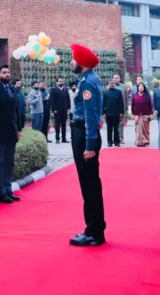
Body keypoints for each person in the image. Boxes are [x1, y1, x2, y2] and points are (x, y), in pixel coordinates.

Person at [69, 43, 106, 247]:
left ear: (81, 62)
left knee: (89, 184)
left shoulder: (86, 83)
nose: (72, 62)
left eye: (74, 59)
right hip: (84, 133)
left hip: (84, 134)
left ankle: (93, 231)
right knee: (91, 184)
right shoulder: (89, 79)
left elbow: (91, 116)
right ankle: (95, 228)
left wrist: (90, 145)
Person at [0, 64, 23, 204]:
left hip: (11, 132)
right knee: (0, 162)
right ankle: (1, 192)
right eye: (4, 72)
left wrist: (19, 129)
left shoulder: (12, 89)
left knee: (10, 162)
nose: (7, 74)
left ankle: (8, 189)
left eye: (8, 72)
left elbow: (16, 111)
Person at [103, 79, 125, 147]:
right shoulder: (105, 92)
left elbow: (121, 103)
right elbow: (103, 103)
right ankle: (109, 142)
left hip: (116, 113)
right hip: (108, 113)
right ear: (108, 84)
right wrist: (103, 113)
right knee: (109, 129)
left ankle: (117, 142)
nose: (111, 84)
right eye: (110, 83)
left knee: (116, 129)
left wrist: (121, 111)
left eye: (112, 83)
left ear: (114, 84)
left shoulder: (118, 92)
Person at [50, 77, 71, 144]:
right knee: (57, 125)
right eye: (59, 81)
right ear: (57, 82)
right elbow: (52, 100)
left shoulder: (65, 89)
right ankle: (57, 138)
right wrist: (54, 110)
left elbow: (68, 99)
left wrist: (68, 108)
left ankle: (64, 138)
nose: (61, 82)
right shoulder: (53, 90)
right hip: (57, 110)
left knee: (64, 124)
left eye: (62, 81)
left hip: (64, 110)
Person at [112, 74, 128, 145]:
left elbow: (126, 98)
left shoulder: (123, 86)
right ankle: (114, 138)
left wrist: (126, 107)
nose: (115, 79)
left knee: (121, 123)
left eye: (117, 78)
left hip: (121, 107)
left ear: (119, 79)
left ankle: (121, 138)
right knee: (113, 124)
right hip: (112, 108)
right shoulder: (110, 86)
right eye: (114, 78)